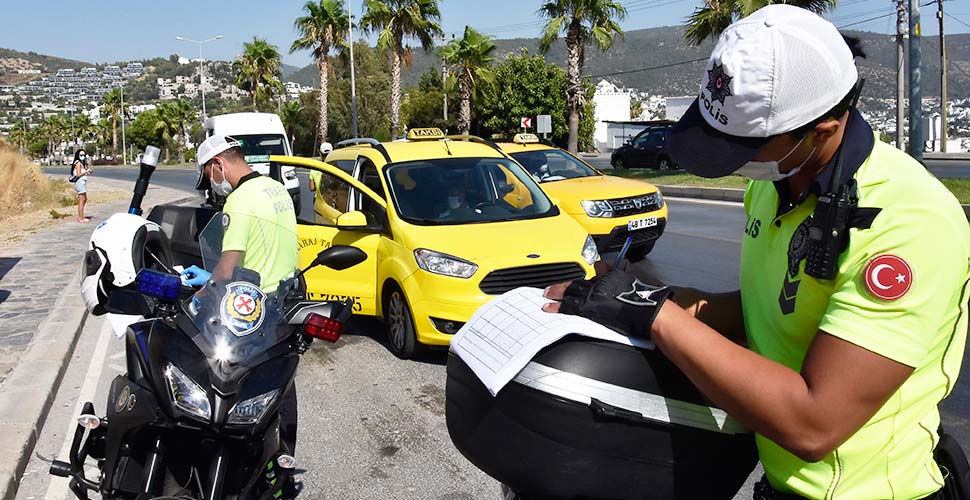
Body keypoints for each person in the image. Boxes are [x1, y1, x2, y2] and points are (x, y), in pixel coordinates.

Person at [543, 6, 969, 499]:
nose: (736, 163)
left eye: (747, 144)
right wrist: (644, 297)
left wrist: (654, 313)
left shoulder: (910, 220)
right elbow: (767, 312)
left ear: (825, 126)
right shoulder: (773, 184)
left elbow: (813, 423)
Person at [181, 135, 301, 457]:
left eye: (208, 175)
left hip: (251, 309)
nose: (211, 184)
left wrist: (198, 296)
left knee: (238, 393)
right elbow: (271, 246)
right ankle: (284, 458)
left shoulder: (239, 199)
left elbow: (227, 266)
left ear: (218, 164)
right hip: (285, 302)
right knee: (280, 387)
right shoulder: (276, 189)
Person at [71, 149, 93, 222]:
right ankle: (81, 218)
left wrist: (87, 172)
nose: (82, 156)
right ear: (78, 155)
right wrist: (86, 171)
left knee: (84, 199)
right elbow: (78, 174)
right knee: (81, 200)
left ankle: (81, 215)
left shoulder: (81, 163)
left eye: (84, 155)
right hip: (80, 183)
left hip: (82, 183)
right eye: (81, 155)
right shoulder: (77, 163)